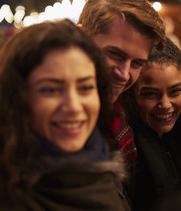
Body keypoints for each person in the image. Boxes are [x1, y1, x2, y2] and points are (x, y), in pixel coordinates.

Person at [0, 19, 130, 210]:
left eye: (85, 87)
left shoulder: (103, 161)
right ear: (17, 97)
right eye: (51, 90)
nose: (74, 106)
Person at [120, 38, 181, 211]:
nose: (165, 104)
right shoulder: (124, 148)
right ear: (131, 95)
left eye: (175, 91)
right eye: (150, 94)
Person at [77, 0, 166, 161]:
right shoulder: (38, 117)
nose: (124, 74)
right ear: (79, 37)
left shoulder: (121, 121)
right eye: (115, 54)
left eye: (137, 63)